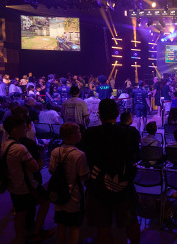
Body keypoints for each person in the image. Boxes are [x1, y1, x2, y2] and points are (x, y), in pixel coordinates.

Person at [80, 99, 140, 244]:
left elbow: (87, 157)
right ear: (118, 113)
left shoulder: (89, 134)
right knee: (130, 220)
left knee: (103, 225)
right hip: (123, 183)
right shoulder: (131, 132)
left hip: (98, 185)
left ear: (99, 115)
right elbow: (136, 156)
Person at [2, 115, 54, 244]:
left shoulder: (5, 145)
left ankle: (21, 239)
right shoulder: (20, 148)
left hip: (13, 184)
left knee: (20, 215)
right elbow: (35, 167)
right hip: (27, 186)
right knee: (45, 201)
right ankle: (37, 231)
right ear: (15, 129)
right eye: (23, 127)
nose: (26, 130)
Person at [49, 123, 89, 244]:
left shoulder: (55, 151)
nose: (80, 134)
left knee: (61, 223)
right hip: (74, 194)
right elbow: (83, 176)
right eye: (78, 132)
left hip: (59, 192)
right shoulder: (79, 154)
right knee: (74, 225)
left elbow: (51, 170)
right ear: (73, 135)